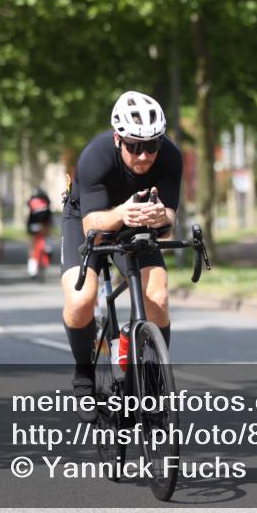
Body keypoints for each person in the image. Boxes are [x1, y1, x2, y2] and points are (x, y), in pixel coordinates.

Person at [60, 91, 182, 421]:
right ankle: (84, 374)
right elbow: (92, 225)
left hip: (136, 221)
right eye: (133, 146)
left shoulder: (170, 156)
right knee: (80, 300)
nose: (143, 156)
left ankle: (154, 388)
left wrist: (162, 218)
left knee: (157, 293)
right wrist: (123, 213)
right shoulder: (96, 157)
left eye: (151, 145)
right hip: (88, 220)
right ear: (118, 139)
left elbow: (169, 221)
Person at [26, 187, 52, 278]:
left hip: (33, 226)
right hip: (44, 226)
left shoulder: (31, 202)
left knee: (32, 248)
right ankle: (48, 251)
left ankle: (31, 269)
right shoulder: (46, 202)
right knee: (46, 242)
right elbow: (48, 217)